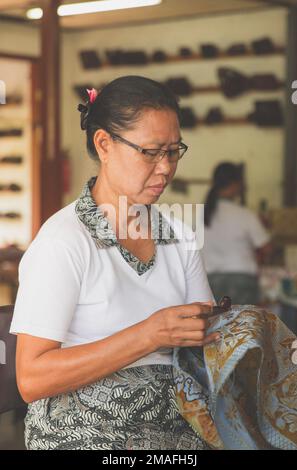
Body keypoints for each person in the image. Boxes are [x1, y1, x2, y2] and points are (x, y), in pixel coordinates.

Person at [10, 76, 219, 450]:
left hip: (178, 428)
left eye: (173, 152)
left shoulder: (179, 236)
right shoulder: (65, 241)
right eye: (150, 152)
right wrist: (149, 335)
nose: (165, 168)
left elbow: (204, 344)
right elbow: (31, 378)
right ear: (104, 144)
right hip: (87, 434)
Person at [203, 162, 272, 305]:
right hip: (242, 282)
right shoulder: (245, 215)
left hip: (209, 282)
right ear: (235, 184)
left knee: (215, 326)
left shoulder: (200, 215)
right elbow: (267, 248)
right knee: (244, 326)